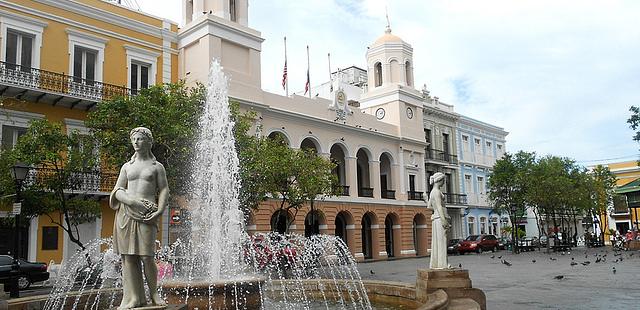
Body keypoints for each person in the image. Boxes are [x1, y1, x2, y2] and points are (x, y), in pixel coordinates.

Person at [110, 127, 169, 309]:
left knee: (146, 256)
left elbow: (164, 189)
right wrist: (133, 201)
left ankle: (154, 294)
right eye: (134, 139)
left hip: (147, 215)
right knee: (129, 257)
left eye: (140, 139)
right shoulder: (127, 167)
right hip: (126, 214)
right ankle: (134, 298)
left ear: (149, 142)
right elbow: (117, 190)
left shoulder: (156, 167)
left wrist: (159, 211)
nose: (136, 142)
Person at [428, 172, 451, 269]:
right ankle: (443, 264)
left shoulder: (432, 192)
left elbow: (429, 207)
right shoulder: (437, 192)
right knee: (442, 242)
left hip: (435, 218)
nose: (444, 183)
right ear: (439, 180)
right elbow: (439, 206)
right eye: (444, 180)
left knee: (437, 242)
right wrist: (443, 220)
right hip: (440, 218)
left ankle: (436, 263)